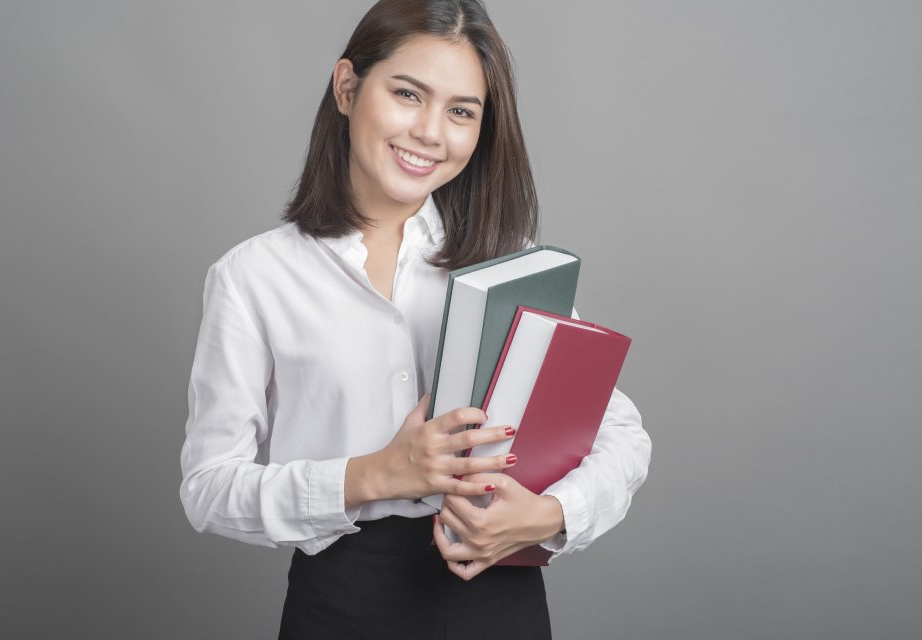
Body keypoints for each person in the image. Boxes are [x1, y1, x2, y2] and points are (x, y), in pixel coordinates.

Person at [179, 1, 651, 637]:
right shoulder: (252, 276)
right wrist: (376, 474)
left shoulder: (507, 261)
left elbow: (621, 433)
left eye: (461, 111)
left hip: (498, 594)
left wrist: (546, 515)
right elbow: (208, 489)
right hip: (341, 602)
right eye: (408, 93)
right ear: (347, 88)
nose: (431, 132)